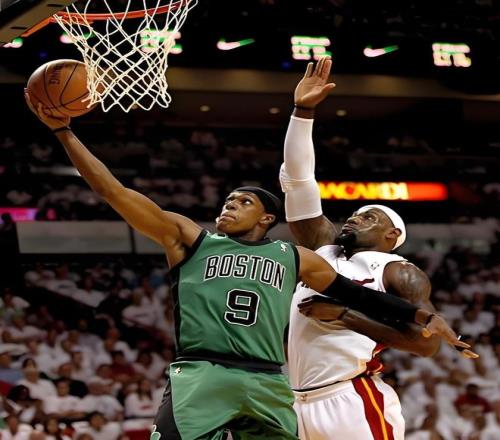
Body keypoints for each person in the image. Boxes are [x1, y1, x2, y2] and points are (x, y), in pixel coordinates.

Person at [25, 91, 470, 440]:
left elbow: (355, 296)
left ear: (266, 219)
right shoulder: (194, 240)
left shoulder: (297, 257)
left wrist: (422, 317)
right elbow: (115, 192)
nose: (229, 204)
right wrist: (64, 133)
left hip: (276, 382)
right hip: (209, 372)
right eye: (228, 199)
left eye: (243, 201)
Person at [280, 56, 478, 440]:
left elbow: (424, 345)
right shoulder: (323, 247)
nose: (354, 220)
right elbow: (300, 180)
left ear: (392, 235)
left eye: (369, 217)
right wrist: (302, 112)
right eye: (355, 214)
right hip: (296, 400)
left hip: (351, 397)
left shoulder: (397, 270)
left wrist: (346, 316)